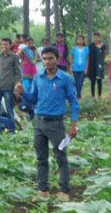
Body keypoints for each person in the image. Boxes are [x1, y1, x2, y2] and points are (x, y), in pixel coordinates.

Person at [16, 46, 79, 202]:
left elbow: (73, 101)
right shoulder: (38, 77)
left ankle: (64, 190)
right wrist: (22, 92)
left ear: (57, 59)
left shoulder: (65, 79)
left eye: (51, 58)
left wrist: (73, 124)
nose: (47, 61)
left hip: (56, 124)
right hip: (38, 122)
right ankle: (42, 190)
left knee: (61, 157)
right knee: (41, 158)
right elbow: (32, 99)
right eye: (44, 59)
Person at [0, 38, 21, 134]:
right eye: (2, 44)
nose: (4, 46)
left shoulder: (14, 57)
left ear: (10, 45)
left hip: (8, 87)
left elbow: (17, 72)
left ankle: (12, 130)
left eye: (6, 44)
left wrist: (18, 83)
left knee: (9, 110)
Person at [87, 32, 107, 98]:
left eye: (97, 37)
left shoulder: (103, 46)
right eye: (94, 38)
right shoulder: (91, 46)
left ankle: (99, 95)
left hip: (100, 66)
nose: (96, 39)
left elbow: (104, 55)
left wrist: (101, 62)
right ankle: (92, 96)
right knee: (93, 81)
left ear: (99, 38)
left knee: (99, 81)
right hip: (92, 65)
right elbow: (88, 56)